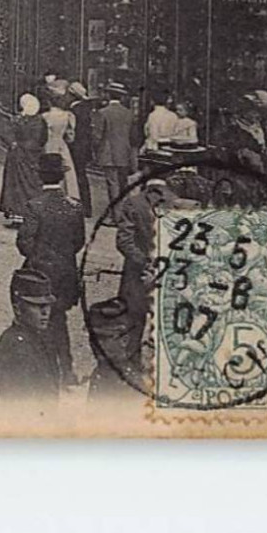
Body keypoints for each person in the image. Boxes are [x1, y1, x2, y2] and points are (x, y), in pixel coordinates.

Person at [16, 152, 86, 384]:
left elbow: (24, 243)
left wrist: (40, 257)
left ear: (40, 177)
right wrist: (62, 257)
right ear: (61, 177)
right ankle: (66, 370)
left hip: (40, 273)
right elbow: (78, 241)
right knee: (59, 321)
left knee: (36, 323)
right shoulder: (74, 207)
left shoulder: (35, 206)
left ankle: (43, 374)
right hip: (66, 274)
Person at [115, 176, 169, 354]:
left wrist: (146, 262)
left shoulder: (134, 203)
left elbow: (124, 241)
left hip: (143, 272)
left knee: (137, 320)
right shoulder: (177, 202)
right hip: (155, 272)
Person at [0, 269, 62, 404]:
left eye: (47, 305)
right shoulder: (13, 345)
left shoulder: (45, 338)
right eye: (37, 306)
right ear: (17, 309)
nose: (45, 312)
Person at [0, 93, 46, 225]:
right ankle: (32, 215)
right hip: (34, 156)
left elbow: (6, 134)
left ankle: (19, 215)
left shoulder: (19, 120)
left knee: (16, 186)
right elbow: (42, 139)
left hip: (18, 157)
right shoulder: (40, 121)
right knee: (32, 184)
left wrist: (14, 144)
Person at [93, 83, 137, 220]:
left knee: (112, 184)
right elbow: (132, 135)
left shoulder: (103, 113)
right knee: (123, 183)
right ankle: (127, 213)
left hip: (108, 153)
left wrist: (95, 151)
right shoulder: (128, 113)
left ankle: (117, 216)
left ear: (108, 94)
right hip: (125, 151)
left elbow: (97, 136)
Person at [41, 84, 80, 200]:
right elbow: (71, 137)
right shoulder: (67, 116)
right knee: (66, 172)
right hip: (61, 145)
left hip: (48, 144)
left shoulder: (45, 116)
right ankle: (66, 196)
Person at [67, 81, 96, 219]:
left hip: (76, 145)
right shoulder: (87, 108)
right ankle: (85, 206)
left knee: (76, 174)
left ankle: (78, 204)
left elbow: (72, 130)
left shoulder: (75, 109)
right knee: (81, 175)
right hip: (84, 146)